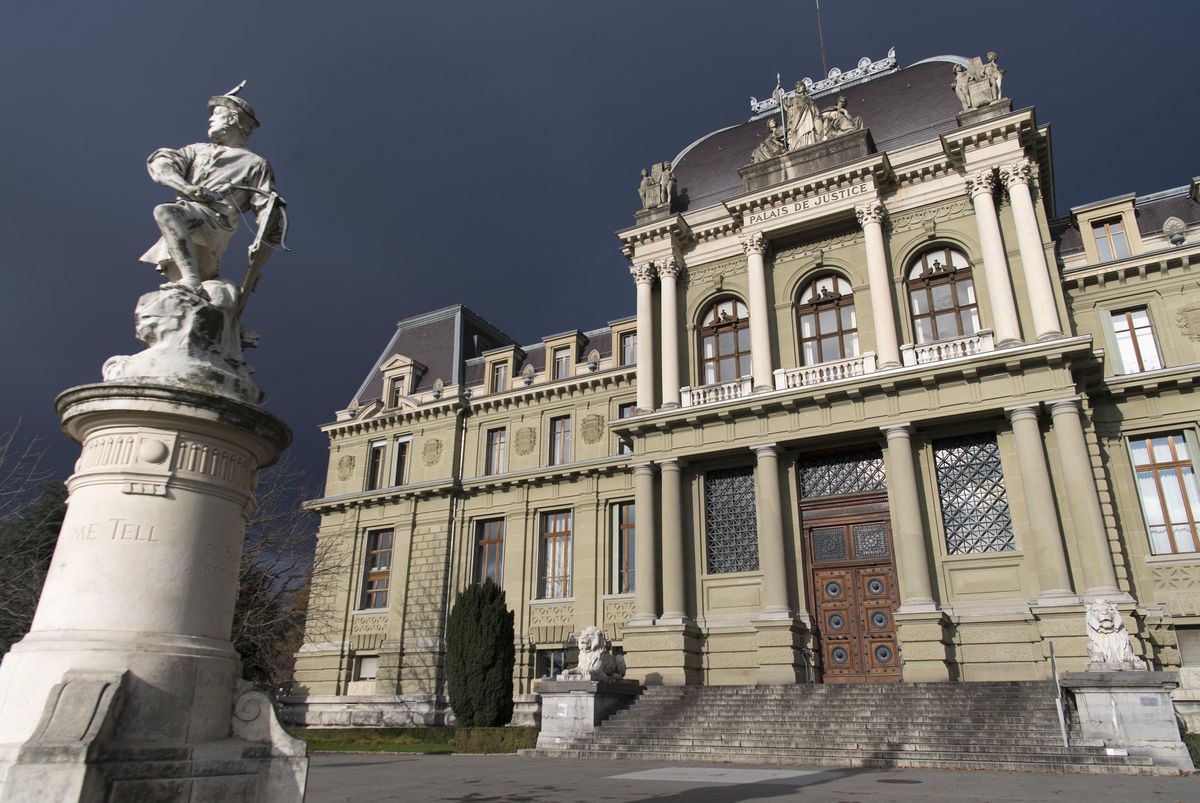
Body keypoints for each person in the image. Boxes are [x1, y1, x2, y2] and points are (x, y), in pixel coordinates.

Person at [141, 84, 285, 290]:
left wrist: (264, 242)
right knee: (169, 213)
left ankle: (191, 280)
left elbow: (266, 208)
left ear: (234, 119)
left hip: (219, 219)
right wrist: (186, 187)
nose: (210, 118)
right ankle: (191, 280)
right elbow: (162, 162)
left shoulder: (255, 163)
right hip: (190, 209)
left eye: (218, 113)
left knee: (165, 212)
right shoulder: (198, 150)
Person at [775, 80, 824, 149]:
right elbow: (780, 101)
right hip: (798, 124)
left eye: (799, 86)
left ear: (804, 87)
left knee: (810, 138)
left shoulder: (810, 99)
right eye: (796, 87)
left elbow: (816, 112)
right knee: (800, 140)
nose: (797, 88)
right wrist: (777, 91)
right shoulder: (794, 100)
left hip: (809, 123)